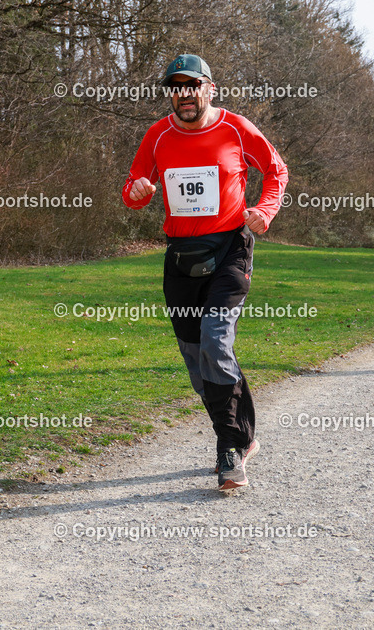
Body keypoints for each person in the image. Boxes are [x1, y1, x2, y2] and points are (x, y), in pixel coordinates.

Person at [122, 54, 288, 490]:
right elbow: (134, 187)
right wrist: (137, 191)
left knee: (216, 340)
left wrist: (264, 211)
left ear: (210, 88)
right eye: (175, 88)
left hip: (230, 249)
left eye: (191, 86)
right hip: (181, 257)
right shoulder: (157, 135)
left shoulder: (235, 128)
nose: (184, 96)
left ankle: (229, 447)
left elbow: (276, 170)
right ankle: (243, 434)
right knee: (198, 361)